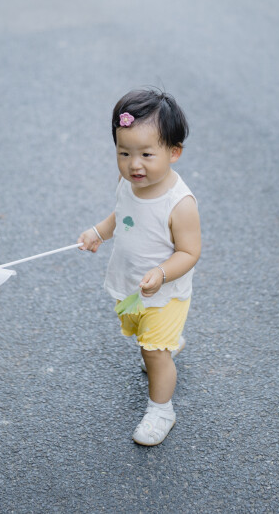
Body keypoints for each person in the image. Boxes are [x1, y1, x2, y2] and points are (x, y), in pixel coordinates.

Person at [78, 88, 201, 446]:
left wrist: (162, 272)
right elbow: (122, 216)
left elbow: (189, 252)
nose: (135, 165)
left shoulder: (180, 204)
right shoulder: (128, 183)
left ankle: (161, 410)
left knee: (153, 353)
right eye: (124, 153)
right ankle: (166, 344)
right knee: (139, 334)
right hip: (131, 285)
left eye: (147, 154)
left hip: (165, 292)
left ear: (174, 152)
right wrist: (99, 232)